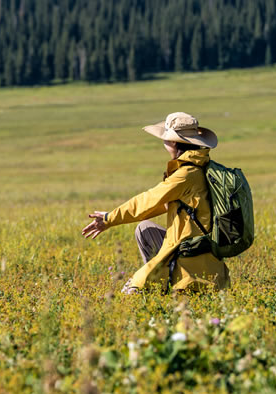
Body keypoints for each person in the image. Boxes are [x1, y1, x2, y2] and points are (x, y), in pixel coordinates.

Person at [81, 112, 230, 294]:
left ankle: (161, 285)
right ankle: (159, 280)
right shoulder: (202, 167)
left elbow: (148, 200)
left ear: (173, 142)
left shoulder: (187, 174)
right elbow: (162, 204)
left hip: (192, 261)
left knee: (129, 293)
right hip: (202, 254)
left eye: (165, 139)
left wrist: (109, 218)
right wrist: (110, 219)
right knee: (145, 229)